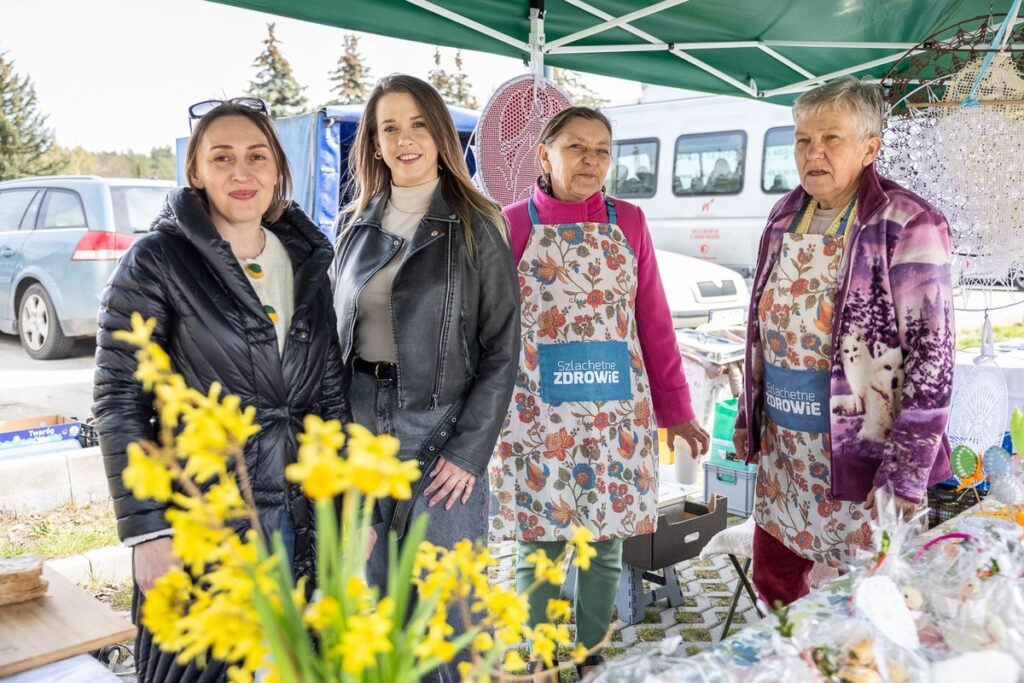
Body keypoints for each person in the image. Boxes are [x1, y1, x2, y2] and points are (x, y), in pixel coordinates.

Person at [93, 98, 347, 683]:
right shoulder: (157, 261)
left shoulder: (306, 259)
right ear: (195, 172)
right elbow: (119, 402)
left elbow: (328, 394)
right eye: (222, 157)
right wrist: (148, 531)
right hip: (205, 520)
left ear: (278, 168)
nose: (242, 172)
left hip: (300, 516)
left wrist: (350, 515)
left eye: (257, 156)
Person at [490, 106, 710, 678]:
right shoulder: (511, 224)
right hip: (536, 416)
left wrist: (678, 413)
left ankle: (588, 658)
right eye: (576, 148)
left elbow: (655, 323)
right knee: (538, 544)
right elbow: (487, 329)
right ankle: (538, 658)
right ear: (545, 155)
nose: (591, 161)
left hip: (615, 414)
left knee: (605, 543)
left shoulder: (630, 222)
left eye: (602, 151)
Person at [732, 76, 955, 608]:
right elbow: (759, 328)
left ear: (870, 148)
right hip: (788, 455)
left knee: (870, 601)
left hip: (866, 456)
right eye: (804, 140)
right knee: (776, 588)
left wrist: (904, 475)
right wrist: (749, 414)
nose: (814, 153)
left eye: (831, 139)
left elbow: (934, 361)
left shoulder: (908, 222)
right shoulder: (784, 216)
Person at [331, 74, 519, 682]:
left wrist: (469, 452)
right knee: (388, 603)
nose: (405, 139)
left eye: (418, 124)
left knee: (455, 613)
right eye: (390, 128)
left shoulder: (477, 223)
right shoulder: (353, 225)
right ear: (375, 143)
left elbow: (501, 349)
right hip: (364, 432)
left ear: (440, 134)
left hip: (441, 432)